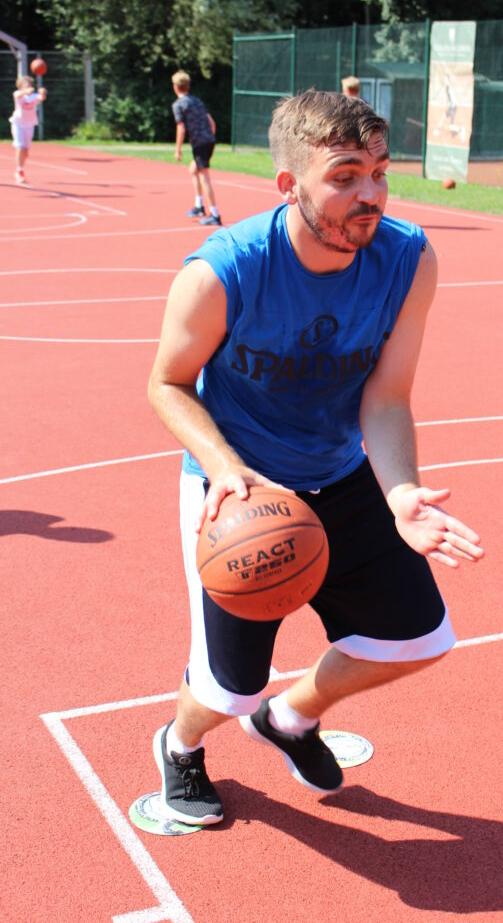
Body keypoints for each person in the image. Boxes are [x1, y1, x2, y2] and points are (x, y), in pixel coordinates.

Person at [147, 89, 484, 826]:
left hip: (339, 472)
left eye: (380, 173)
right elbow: (167, 384)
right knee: (227, 688)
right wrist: (223, 464)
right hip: (242, 489)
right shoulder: (224, 271)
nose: (370, 194)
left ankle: (290, 718)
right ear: (288, 184)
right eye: (344, 176)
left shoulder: (408, 259)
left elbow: (386, 398)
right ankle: (179, 744)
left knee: (419, 639)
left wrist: (400, 493)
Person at [171, 70, 222, 226]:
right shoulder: (197, 101)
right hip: (209, 140)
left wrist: (178, 149)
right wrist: (209, 138)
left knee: (203, 175)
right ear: (187, 86)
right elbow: (212, 123)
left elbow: (181, 128)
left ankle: (214, 214)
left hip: (200, 143)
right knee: (193, 169)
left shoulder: (178, 105)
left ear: (175, 87)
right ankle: (199, 206)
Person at [9, 74, 47, 184]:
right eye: (25, 84)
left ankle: (20, 167)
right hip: (18, 124)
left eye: (29, 84)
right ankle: (20, 170)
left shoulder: (34, 96)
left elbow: (42, 97)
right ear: (21, 86)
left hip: (29, 124)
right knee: (20, 146)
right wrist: (25, 91)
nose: (28, 86)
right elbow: (19, 94)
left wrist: (43, 92)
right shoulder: (18, 94)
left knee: (25, 151)